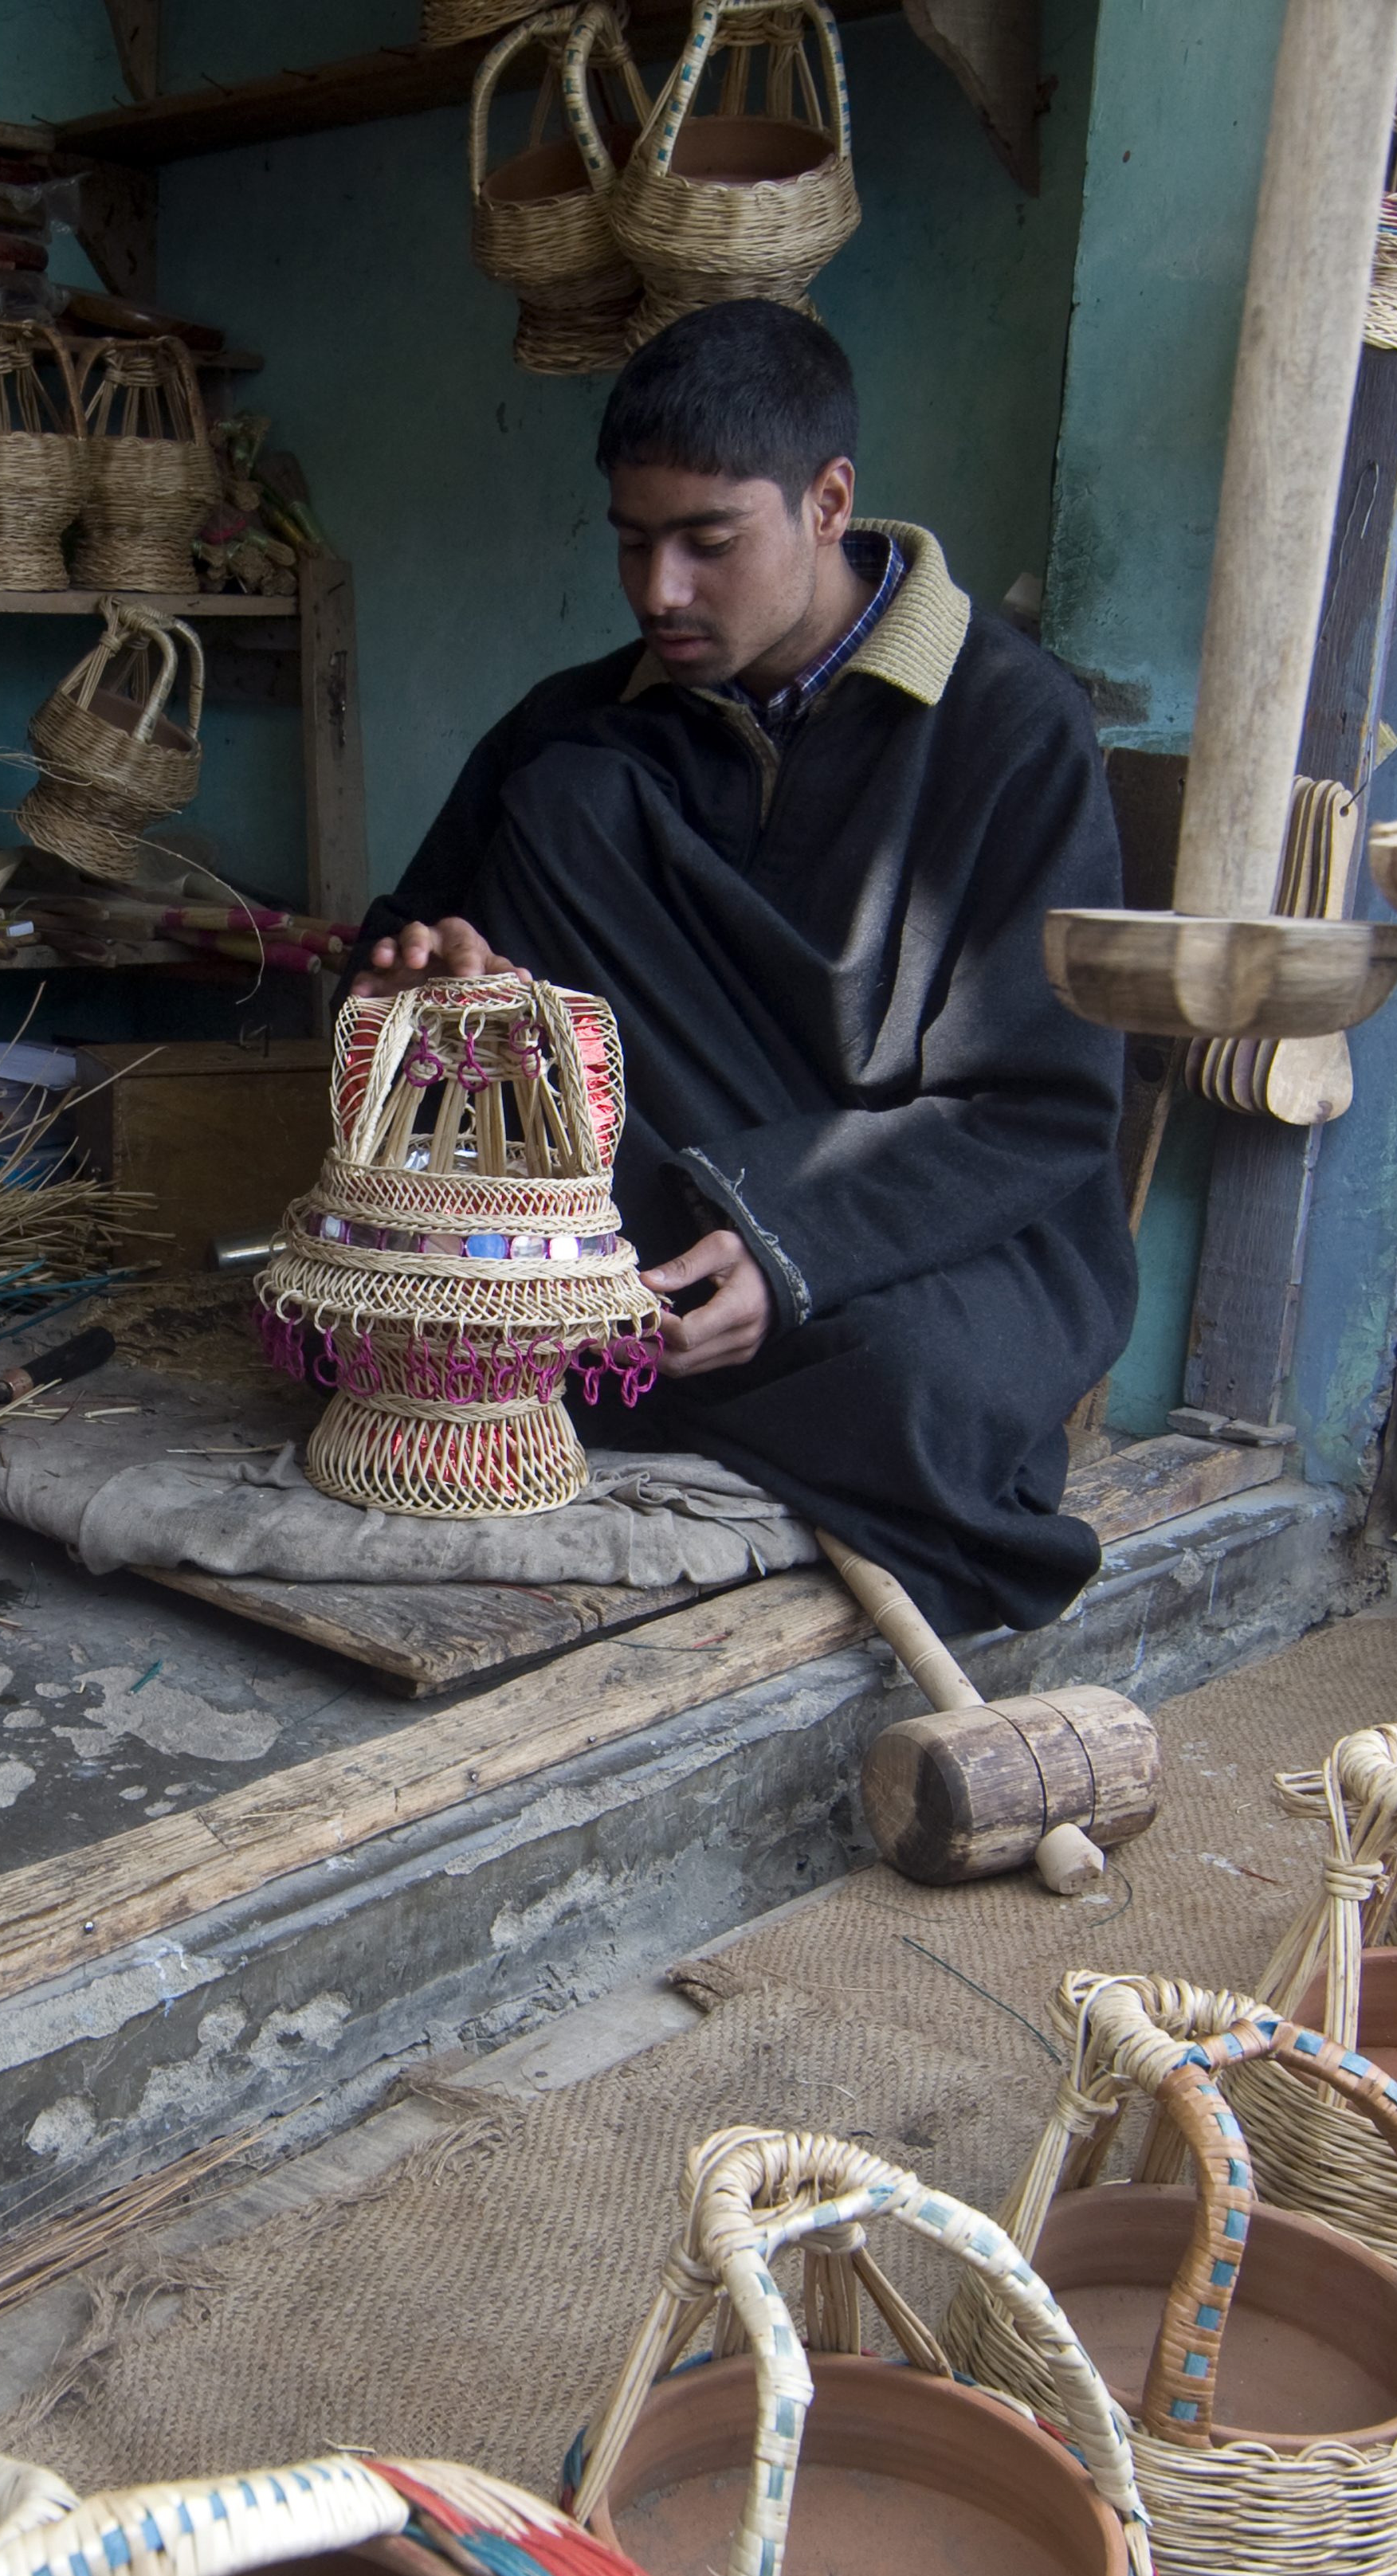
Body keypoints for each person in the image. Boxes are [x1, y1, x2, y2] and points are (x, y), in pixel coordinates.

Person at [357, 299, 1134, 1636]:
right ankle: (635, 1338)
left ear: (829, 501)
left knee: (917, 1388)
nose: (659, 590)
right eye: (633, 543)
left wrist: (787, 1257)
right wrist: (430, 983)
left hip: (920, 1223)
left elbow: (1042, 1107)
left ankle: (633, 1356)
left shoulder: (1012, 727)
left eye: (708, 544)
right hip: (656, 1207)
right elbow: (392, 953)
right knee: (566, 802)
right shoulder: (580, 725)